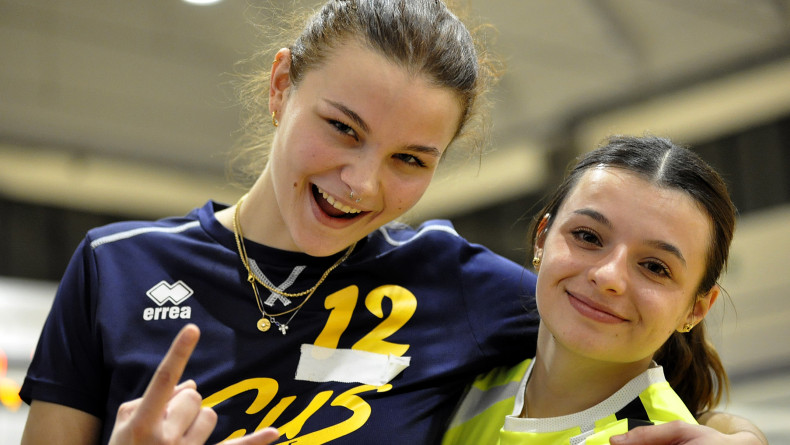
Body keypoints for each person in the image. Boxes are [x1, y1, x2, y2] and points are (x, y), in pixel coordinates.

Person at [18, 1, 764, 444]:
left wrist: (744, 435)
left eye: (410, 159)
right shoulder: (116, 266)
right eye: (342, 128)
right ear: (281, 86)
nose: (361, 183)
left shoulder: (457, 284)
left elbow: (623, 359)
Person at [442, 135, 768, 445]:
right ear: (542, 238)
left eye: (655, 267)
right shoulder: (461, 375)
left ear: (695, 310)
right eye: (588, 236)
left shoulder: (661, 439)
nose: (608, 276)